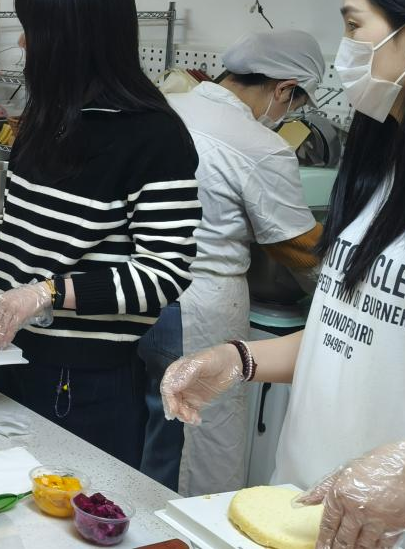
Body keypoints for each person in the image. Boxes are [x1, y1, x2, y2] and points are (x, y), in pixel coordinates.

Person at [163, 0, 405, 547]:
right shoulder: (382, 176)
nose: (346, 49)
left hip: (389, 522)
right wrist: (240, 359)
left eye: (354, 26)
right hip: (303, 500)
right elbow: (349, 335)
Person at [0, 0, 201, 466]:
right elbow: (18, 222)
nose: (23, 43)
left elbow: (164, 274)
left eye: (32, 30)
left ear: (71, 39)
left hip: (84, 379)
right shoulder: (46, 117)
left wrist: (48, 292)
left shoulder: (153, 136)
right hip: (9, 351)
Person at [137, 31, 326, 495]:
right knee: (196, 440)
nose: (287, 115)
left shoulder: (162, 106)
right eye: (294, 104)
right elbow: (295, 245)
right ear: (284, 88)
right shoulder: (260, 144)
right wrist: (338, 289)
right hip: (197, 309)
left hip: (137, 292)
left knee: (146, 431)